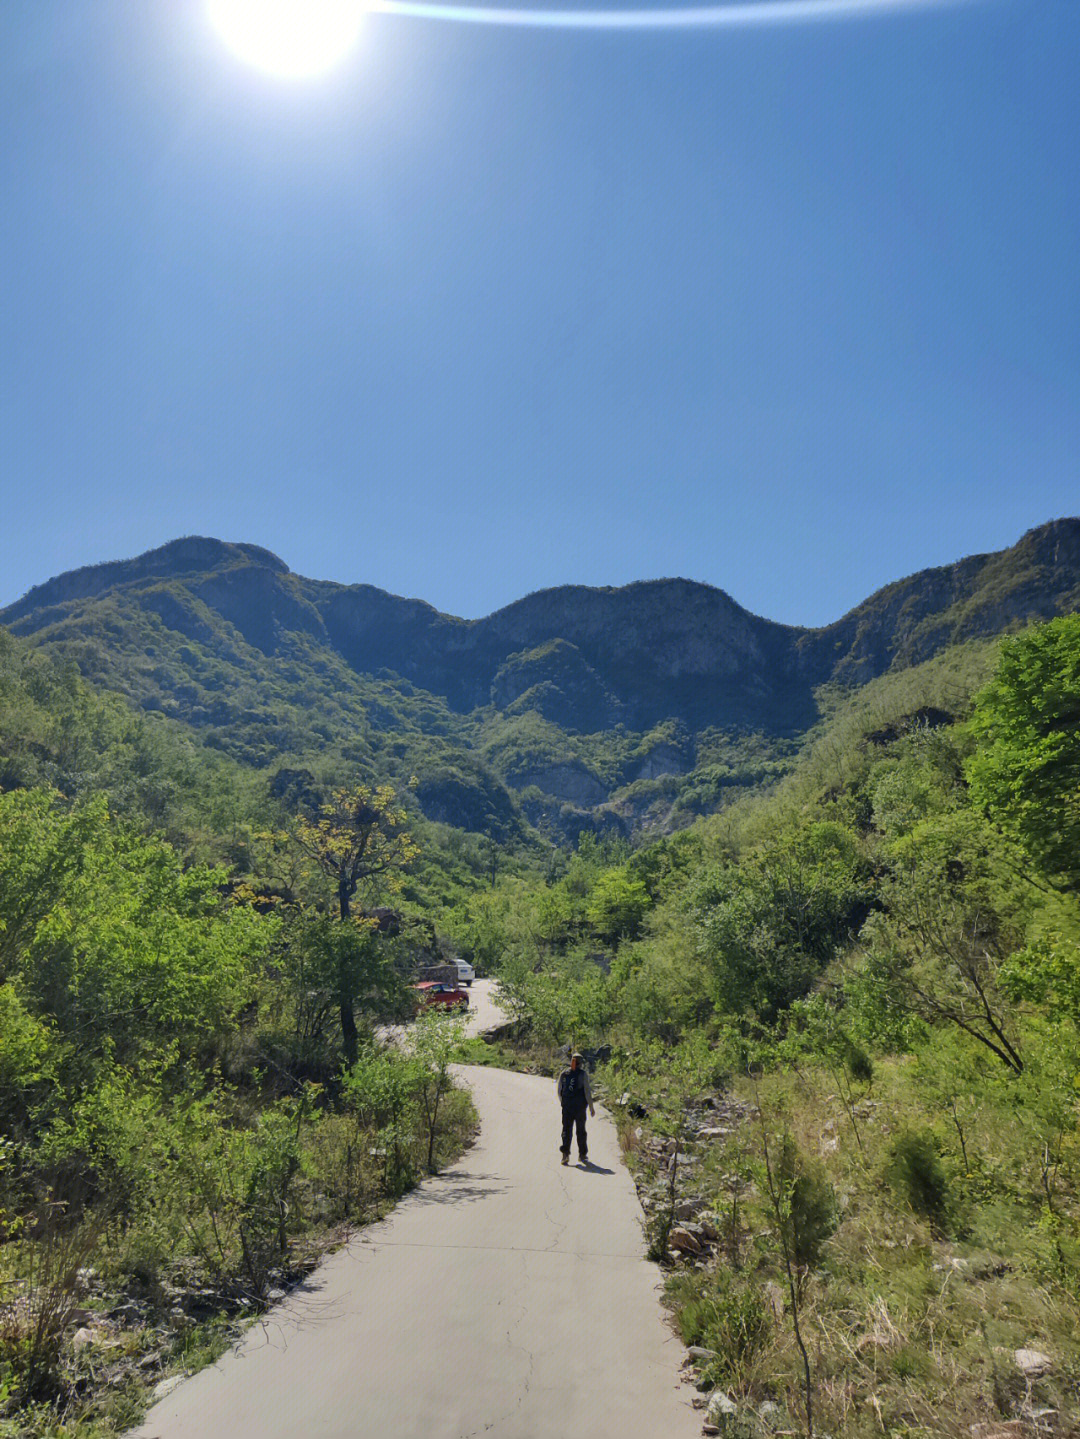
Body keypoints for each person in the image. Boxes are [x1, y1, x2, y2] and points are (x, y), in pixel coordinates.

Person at [556, 1052, 595, 1165]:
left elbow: (559, 1091)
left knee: (566, 1130)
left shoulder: (564, 1073)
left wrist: (563, 1103)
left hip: (567, 1107)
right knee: (581, 1131)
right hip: (579, 1108)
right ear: (581, 1063)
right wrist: (591, 1107)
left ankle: (565, 1155)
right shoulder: (582, 1074)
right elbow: (587, 1092)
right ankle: (582, 1155)